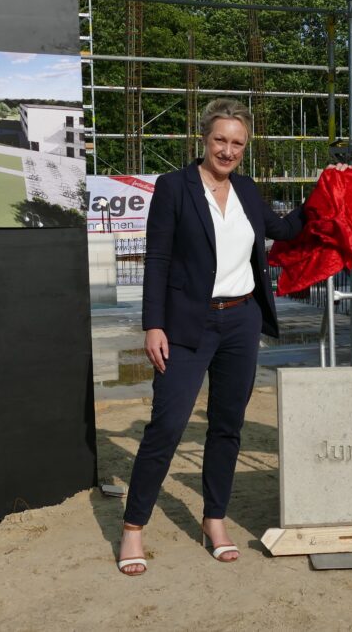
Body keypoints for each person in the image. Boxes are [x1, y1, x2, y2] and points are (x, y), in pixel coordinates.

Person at [117, 99, 306, 576]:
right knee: (167, 425)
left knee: (227, 426)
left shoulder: (245, 188)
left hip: (241, 322)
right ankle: (134, 527)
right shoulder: (174, 187)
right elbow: (157, 258)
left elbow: (283, 228)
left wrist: (331, 188)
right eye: (220, 140)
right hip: (185, 325)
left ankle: (214, 519)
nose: (228, 150)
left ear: (246, 147)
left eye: (237, 143)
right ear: (204, 139)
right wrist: (152, 324)